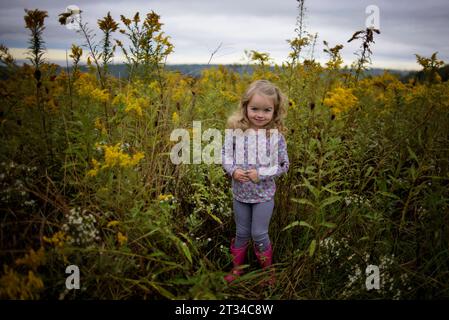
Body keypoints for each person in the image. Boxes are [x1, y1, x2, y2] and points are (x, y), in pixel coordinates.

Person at [221, 79, 289, 285]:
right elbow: (225, 155)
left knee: (259, 233)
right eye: (255, 109)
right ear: (245, 107)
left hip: (263, 196)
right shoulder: (236, 131)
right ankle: (237, 270)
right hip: (240, 194)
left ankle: (269, 274)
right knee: (241, 233)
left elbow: (283, 165)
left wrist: (262, 174)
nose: (260, 114)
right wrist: (232, 171)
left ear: (275, 111)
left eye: (267, 110)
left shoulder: (275, 137)